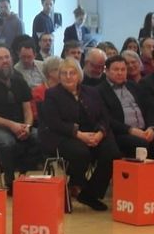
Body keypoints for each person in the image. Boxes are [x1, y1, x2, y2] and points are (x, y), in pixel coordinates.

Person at [39, 58, 119, 211]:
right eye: (64, 73)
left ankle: (89, 194)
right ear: (59, 76)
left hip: (94, 133)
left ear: (79, 75)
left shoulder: (92, 91)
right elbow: (54, 123)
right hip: (65, 135)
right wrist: (79, 134)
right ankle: (77, 185)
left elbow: (104, 116)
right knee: (81, 152)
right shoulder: (52, 94)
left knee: (112, 153)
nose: (68, 77)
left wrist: (100, 133)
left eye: (72, 73)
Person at [0, 45, 40, 189]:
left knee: (40, 136)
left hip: (21, 126)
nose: (5, 61)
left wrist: (27, 127)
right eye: (0, 58)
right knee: (7, 142)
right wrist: (12, 125)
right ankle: (10, 181)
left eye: (7, 57)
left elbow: (27, 110)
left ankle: (23, 174)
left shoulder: (19, 79)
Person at [98, 55, 154, 161]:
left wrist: (151, 127)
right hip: (122, 133)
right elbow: (107, 119)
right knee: (141, 143)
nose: (120, 73)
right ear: (106, 71)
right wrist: (131, 130)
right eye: (116, 70)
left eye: (123, 69)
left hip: (145, 130)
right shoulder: (100, 91)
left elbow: (149, 109)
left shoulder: (133, 86)